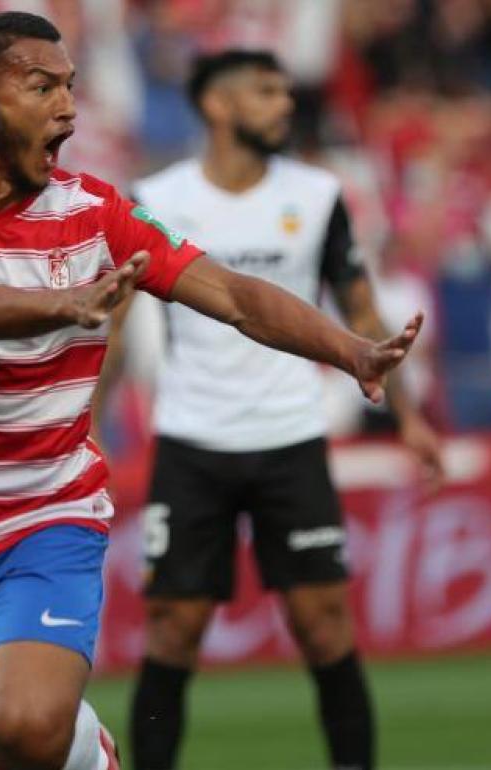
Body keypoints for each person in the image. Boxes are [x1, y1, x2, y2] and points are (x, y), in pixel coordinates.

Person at [0, 15, 423, 770]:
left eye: (72, 88)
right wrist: (69, 305)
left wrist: (349, 351)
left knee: (29, 725)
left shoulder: (98, 214)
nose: (68, 108)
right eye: (42, 86)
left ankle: (97, 755)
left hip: (46, 509)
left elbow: (235, 295)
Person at [98, 50, 442, 770]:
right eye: (264, 92)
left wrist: (408, 416)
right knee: (173, 631)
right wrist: (85, 429)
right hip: (193, 439)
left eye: (286, 92)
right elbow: (116, 326)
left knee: (324, 627)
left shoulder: (318, 194)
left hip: (291, 435)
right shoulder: (157, 194)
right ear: (216, 107)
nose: (283, 105)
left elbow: (360, 306)